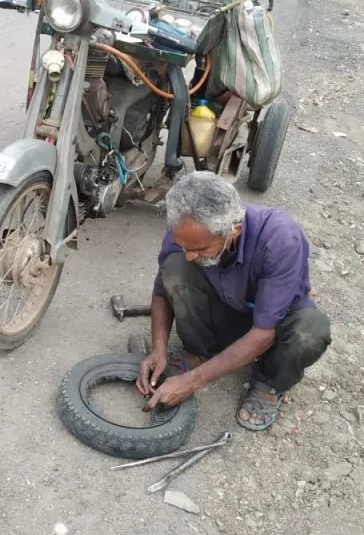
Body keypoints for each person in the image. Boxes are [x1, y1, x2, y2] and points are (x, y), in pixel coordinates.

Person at [135, 172, 331, 431]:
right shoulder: (184, 229)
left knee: (311, 330)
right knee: (175, 267)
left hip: (272, 323)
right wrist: (158, 349)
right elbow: (162, 290)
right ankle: (200, 351)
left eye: (201, 249)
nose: (191, 255)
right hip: (226, 306)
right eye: (184, 245)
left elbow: (264, 332)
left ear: (233, 231)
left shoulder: (280, 239)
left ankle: (269, 383)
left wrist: (192, 382)